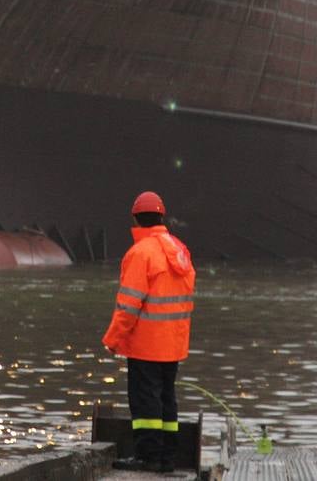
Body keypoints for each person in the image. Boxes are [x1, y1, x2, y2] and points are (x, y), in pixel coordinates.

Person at [102, 191, 196, 473]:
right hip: (173, 345)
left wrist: (113, 339)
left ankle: (147, 456)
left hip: (146, 345)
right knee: (167, 399)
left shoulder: (140, 254)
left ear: (135, 219)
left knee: (145, 403)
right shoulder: (180, 250)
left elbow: (129, 305)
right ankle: (167, 457)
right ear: (162, 216)